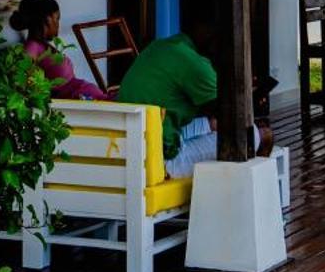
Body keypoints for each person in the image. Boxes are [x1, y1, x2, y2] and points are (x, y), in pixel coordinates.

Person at [115, 25, 270, 177]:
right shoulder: (197, 66)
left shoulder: (160, 46)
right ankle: (260, 150)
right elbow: (232, 115)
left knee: (211, 124)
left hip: (130, 144)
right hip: (164, 159)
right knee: (251, 135)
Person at [9, 0, 107, 102]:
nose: (58, 24)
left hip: (91, 97)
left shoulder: (42, 45)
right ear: (48, 19)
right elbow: (21, 83)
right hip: (80, 104)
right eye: (57, 18)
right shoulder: (32, 48)